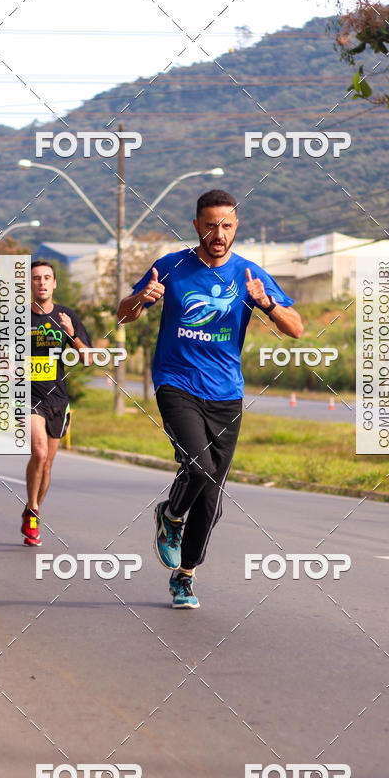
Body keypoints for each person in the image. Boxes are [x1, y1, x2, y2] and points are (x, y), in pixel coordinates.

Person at [118, 190, 304, 608]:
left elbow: (296, 328)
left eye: (226, 226)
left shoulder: (250, 274)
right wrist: (140, 301)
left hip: (226, 394)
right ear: (196, 225)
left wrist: (268, 303)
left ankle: (185, 575)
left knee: (212, 495)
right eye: (209, 225)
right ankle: (170, 515)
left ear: (236, 227)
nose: (217, 234)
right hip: (176, 382)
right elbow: (122, 313)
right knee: (198, 467)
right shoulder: (170, 267)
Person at [22, 260, 93, 546]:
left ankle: (32, 512)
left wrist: (71, 334)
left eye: (46, 278)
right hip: (27, 397)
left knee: (48, 464)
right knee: (38, 453)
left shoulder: (67, 315)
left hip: (57, 398)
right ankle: (33, 510)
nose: (41, 282)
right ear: (30, 284)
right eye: (36, 278)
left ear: (54, 284)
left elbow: (88, 357)